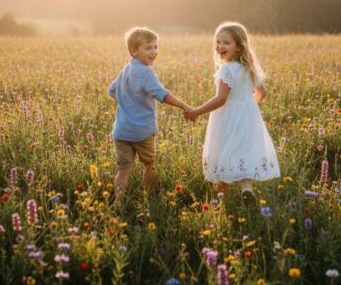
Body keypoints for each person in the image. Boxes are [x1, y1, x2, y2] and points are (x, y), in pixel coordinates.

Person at [185, 21, 280, 205]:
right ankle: (247, 189)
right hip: (248, 117)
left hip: (227, 118)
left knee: (224, 153)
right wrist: (247, 108)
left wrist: (197, 111)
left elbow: (221, 99)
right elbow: (261, 93)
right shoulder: (248, 67)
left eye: (226, 42)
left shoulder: (226, 70)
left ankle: (224, 198)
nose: (220, 46)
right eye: (218, 42)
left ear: (239, 46)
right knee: (244, 152)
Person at [109, 27, 190, 205]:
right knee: (149, 164)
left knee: (123, 169)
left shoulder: (126, 69)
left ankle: (118, 202)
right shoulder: (145, 72)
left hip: (121, 131)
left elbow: (112, 90)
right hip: (142, 131)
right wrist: (183, 105)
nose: (154, 52)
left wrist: (127, 103)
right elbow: (161, 94)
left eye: (155, 47)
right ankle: (149, 197)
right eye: (148, 48)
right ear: (134, 50)